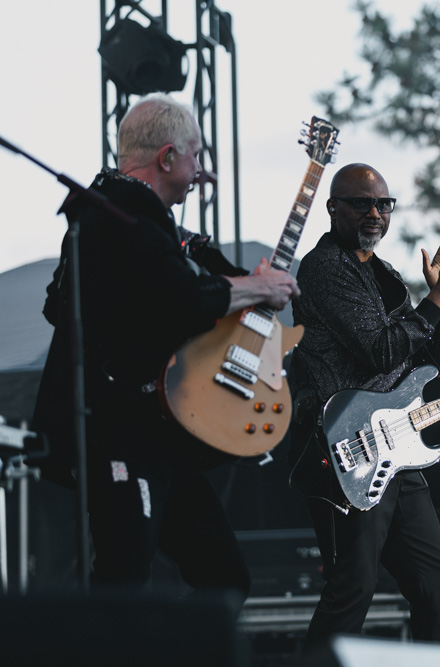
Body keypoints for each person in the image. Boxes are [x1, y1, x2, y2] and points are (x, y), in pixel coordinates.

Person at [32, 93, 300, 597]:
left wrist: (227, 278)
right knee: (123, 582)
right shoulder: (118, 212)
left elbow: (72, 301)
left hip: (155, 431)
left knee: (224, 580)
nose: (199, 172)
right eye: (196, 156)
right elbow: (179, 297)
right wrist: (259, 288)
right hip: (118, 431)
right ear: (168, 157)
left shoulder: (116, 214)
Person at [286, 163, 440, 647]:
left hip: (396, 449)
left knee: (438, 584)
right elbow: (379, 350)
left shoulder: (382, 273)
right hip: (344, 450)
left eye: (384, 204)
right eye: (363, 204)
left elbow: (421, 357)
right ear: (333, 208)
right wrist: (438, 296)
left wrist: (439, 298)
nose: (375, 213)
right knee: (353, 588)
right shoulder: (324, 268)